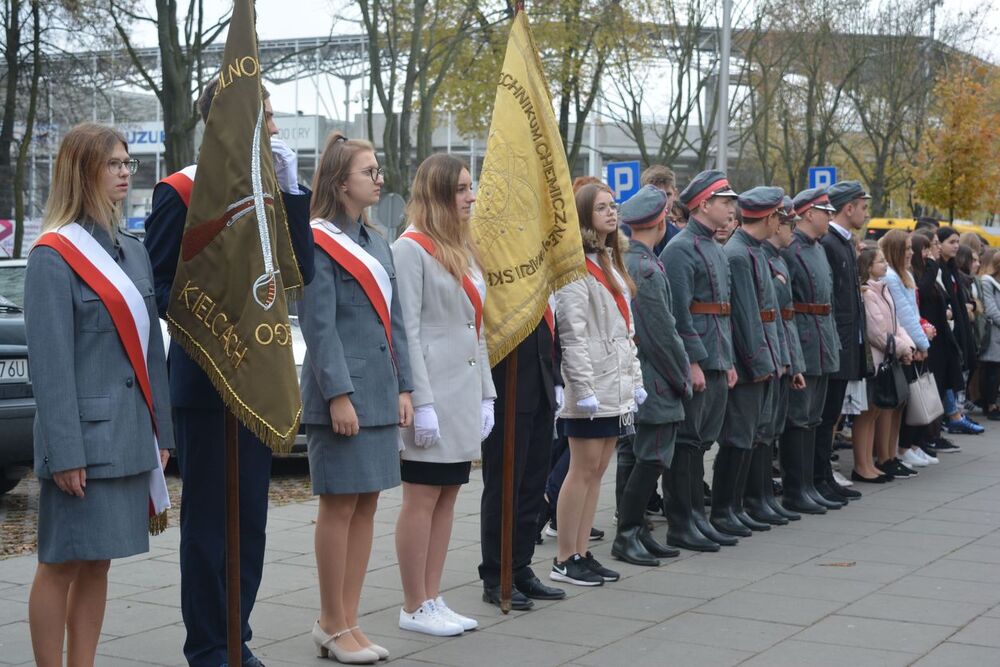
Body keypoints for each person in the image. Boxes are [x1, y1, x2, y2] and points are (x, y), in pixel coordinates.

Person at [143, 80, 314, 667]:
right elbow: (160, 286)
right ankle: (209, 647)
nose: (272, 125)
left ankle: (237, 636)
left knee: (252, 524)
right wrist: (221, 315)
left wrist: (292, 193)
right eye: (263, 115)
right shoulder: (180, 192)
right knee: (210, 526)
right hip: (206, 377)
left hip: (257, 380)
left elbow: (302, 275)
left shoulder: (271, 193)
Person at [25, 123, 173, 667]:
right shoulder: (52, 256)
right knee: (62, 562)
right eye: (112, 163)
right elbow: (51, 367)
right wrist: (65, 452)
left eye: (126, 162)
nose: (124, 171)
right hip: (82, 442)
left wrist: (162, 430)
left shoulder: (132, 252)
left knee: (99, 561)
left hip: (129, 434)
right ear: (82, 171)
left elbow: (151, 351)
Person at [299, 132, 414, 663]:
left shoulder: (377, 240)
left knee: (367, 504)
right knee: (340, 506)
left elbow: (396, 325)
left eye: (378, 170)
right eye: (369, 171)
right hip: (341, 395)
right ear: (341, 182)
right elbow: (318, 327)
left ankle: (350, 619)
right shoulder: (318, 240)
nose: (378, 178)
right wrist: (338, 395)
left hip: (380, 390)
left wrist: (406, 386)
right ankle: (329, 621)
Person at [390, 154, 495, 635]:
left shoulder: (464, 249)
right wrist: (420, 400)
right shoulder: (410, 249)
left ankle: (433, 595)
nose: (471, 196)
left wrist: (486, 395)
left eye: (470, 187)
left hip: (463, 392)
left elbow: (476, 329)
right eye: (460, 189)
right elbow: (406, 330)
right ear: (436, 194)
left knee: (449, 494)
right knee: (421, 497)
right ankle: (414, 604)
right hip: (433, 395)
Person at [551, 182, 644, 587]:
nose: (611, 213)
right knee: (582, 468)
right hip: (592, 384)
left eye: (613, 206)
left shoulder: (608, 258)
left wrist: (635, 380)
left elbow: (625, 329)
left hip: (615, 380)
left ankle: (583, 550)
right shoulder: (575, 266)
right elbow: (572, 332)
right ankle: (564, 556)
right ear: (584, 215)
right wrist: (582, 388)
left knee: (598, 469)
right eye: (602, 207)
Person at [659, 169, 740, 552]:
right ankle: (682, 522)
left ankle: (697, 518)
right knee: (687, 443)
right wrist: (692, 361)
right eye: (725, 202)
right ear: (703, 205)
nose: (730, 209)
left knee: (702, 442)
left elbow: (724, 311)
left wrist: (727, 360)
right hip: (698, 359)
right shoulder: (680, 249)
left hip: (717, 356)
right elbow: (679, 312)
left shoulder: (713, 246)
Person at [616, 185, 691, 566]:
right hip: (654, 378)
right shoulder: (644, 267)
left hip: (639, 375)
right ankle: (628, 532)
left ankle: (636, 530)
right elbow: (663, 334)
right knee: (651, 456)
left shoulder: (632, 261)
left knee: (635, 454)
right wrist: (682, 376)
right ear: (661, 221)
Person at [712, 186, 782, 536]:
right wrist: (758, 362)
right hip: (747, 361)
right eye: (779, 216)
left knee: (753, 435)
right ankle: (725, 509)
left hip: (762, 357)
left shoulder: (752, 251)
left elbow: (767, 314)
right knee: (739, 436)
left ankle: (739, 505)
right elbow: (745, 318)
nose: (781, 223)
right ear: (768, 217)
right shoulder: (739, 254)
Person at [780, 187, 841, 513]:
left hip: (821, 336)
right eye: (825, 211)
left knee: (814, 418)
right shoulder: (791, 250)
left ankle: (810, 483)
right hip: (803, 336)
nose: (830, 217)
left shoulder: (817, 249)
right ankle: (795, 489)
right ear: (807, 214)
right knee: (799, 418)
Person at [815, 180, 871, 504]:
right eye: (862, 206)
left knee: (832, 414)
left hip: (845, 342)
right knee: (825, 416)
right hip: (835, 343)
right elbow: (831, 300)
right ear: (848, 208)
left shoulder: (843, 243)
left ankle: (823, 476)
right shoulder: (831, 244)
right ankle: (817, 478)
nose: (864, 212)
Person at [757, 197, 807, 523]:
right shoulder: (762, 257)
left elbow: (785, 318)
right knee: (759, 431)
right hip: (768, 351)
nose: (794, 231)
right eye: (790, 224)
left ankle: (761, 497)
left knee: (770, 428)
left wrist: (792, 362)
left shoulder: (778, 258)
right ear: (776, 224)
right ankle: (754, 498)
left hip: (781, 348)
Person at [852, 248, 915, 482]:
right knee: (868, 413)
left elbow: (895, 324)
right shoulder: (868, 293)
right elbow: (877, 332)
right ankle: (862, 464)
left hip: (888, 356)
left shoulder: (883, 289)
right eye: (880, 262)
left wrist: (907, 345)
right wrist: (901, 348)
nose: (885, 265)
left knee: (876, 412)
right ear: (868, 267)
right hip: (876, 360)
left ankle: (869, 462)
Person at [879, 229, 933, 476]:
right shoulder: (891, 277)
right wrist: (922, 344)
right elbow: (904, 316)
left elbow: (913, 314)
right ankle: (886, 456)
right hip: (901, 346)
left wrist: (922, 336)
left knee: (900, 403)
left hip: (908, 343)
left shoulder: (904, 275)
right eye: (907, 248)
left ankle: (892, 454)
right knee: (892, 404)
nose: (912, 253)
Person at [938, 226, 982, 436]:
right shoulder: (938, 268)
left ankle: (957, 413)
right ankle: (952, 416)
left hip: (960, 328)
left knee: (961, 370)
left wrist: (969, 307)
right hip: (947, 331)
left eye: (957, 242)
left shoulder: (952, 269)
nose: (956, 246)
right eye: (951, 242)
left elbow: (962, 298)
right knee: (949, 375)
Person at [979, 252, 1000, 420]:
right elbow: (992, 310)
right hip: (993, 333)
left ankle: (992, 403)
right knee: (992, 368)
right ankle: (989, 405)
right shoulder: (988, 282)